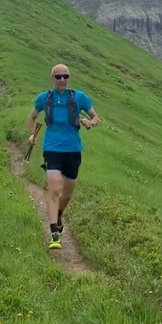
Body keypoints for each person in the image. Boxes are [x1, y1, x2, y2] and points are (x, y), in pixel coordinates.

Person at [27, 64, 101, 249]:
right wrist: (32, 134)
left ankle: (59, 215)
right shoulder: (44, 98)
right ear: (51, 78)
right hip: (52, 148)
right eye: (58, 76)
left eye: (65, 76)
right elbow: (32, 118)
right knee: (54, 189)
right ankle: (54, 234)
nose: (62, 80)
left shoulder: (79, 97)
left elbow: (96, 117)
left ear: (69, 78)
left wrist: (90, 123)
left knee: (67, 194)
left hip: (73, 150)